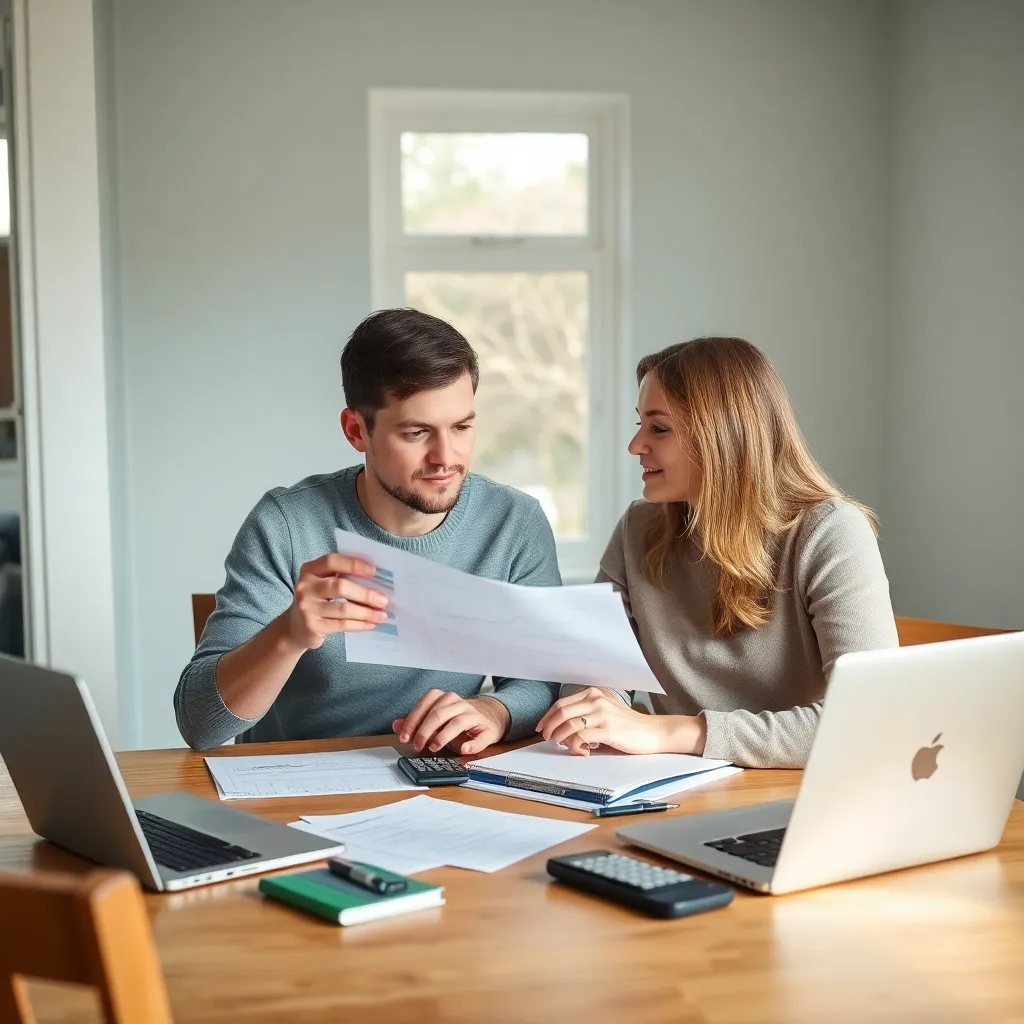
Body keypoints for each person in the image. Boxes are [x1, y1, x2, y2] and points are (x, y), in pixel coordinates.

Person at [175, 308, 560, 753]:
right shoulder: (286, 524)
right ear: (356, 431)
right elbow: (199, 724)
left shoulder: (514, 523)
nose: (446, 457)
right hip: (293, 791)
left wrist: (494, 710)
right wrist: (289, 634)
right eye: (417, 433)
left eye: (462, 427)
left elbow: (544, 681)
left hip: (438, 781)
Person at [538, 337, 898, 768]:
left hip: (797, 796)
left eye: (659, 428)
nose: (636, 446)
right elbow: (592, 670)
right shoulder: (638, 529)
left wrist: (669, 731)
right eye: (640, 424)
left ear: (721, 436)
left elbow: (870, 721)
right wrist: (598, 711)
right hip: (675, 787)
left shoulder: (831, 533)